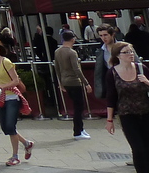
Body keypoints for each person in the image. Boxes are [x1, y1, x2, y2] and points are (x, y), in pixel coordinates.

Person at [0, 38, 33, 167]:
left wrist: (3, 86)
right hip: (0, 98)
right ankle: (27, 143)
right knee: (5, 127)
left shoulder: (6, 62)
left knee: (11, 126)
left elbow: (16, 80)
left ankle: (15, 156)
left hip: (11, 97)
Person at [104, 40, 149, 173]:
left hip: (146, 112)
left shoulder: (142, 68)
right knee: (138, 148)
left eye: (131, 51)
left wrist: (147, 82)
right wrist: (109, 120)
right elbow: (111, 98)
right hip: (127, 115)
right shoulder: (112, 73)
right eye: (126, 52)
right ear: (118, 55)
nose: (130, 54)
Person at [54, 29, 93, 140]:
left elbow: (57, 68)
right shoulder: (72, 52)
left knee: (77, 106)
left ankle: (80, 128)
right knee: (79, 107)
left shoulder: (57, 51)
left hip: (65, 81)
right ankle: (77, 131)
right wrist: (86, 83)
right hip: (75, 81)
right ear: (73, 39)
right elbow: (77, 69)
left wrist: (60, 83)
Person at [95, 24, 119, 101]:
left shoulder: (123, 47)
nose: (103, 38)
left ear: (112, 35)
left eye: (105, 35)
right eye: (101, 36)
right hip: (111, 82)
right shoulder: (101, 51)